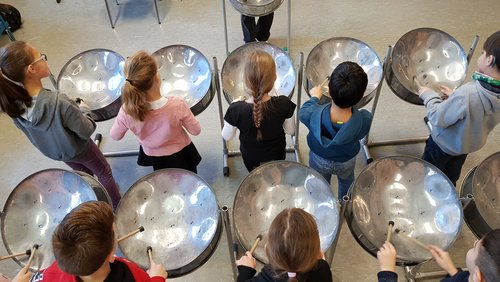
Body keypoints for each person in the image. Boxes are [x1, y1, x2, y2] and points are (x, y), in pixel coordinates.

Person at [0, 41, 121, 209]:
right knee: (104, 172)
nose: (44, 59)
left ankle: (92, 192)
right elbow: (86, 131)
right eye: (40, 57)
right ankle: (117, 205)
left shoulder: (13, 105)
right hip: (80, 148)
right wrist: (84, 109)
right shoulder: (59, 103)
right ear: (32, 69)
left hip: (59, 153)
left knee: (83, 173)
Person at [417, 31, 500, 186]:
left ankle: (428, 189)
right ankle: (448, 188)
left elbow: (437, 117)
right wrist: (456, 98)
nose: (480, 56)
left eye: (483, 53)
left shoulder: (468, 94)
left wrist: (428, 95)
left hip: (443, 144)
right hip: (466, 145)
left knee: (431, 170)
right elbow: (478, 109)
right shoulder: (472, 96)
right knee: (452, 173)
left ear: (490, 59)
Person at [19, 201, 167, 282]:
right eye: (115, 234)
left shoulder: (53, 272)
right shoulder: (130, 274)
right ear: (110, 255)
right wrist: (156, 277)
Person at [109, 51, 202, 173]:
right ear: (157, 77)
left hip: (153, 155)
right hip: (181, 153)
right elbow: (196, 130)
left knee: (164, 178)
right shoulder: (177, 105)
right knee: (188, 178)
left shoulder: (127, 110)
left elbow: (115, 135)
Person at [299, 61, 372, 200]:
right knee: (346, 180)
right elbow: (361, 133)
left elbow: (302, 113)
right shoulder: (364, 120)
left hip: (319, 157)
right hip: (346, 161)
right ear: (361, 97)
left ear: (329, 91)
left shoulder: (312, 113)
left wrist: (315, 97)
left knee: (320, 181)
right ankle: (343, 202)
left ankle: (324, 203)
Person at [222, 50, 296, 172]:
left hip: (251, 158)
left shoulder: (236, 109)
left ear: (244, 81)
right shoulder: (284, 104)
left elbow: (227, 136)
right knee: (275, 177)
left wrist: (235, 105)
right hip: (277, 155)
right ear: (275, 79)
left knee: (255, 178)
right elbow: (290, 130)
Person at [236, 208, 332, 282]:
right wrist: (317, 260)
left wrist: (245, 271)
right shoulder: (322, 270)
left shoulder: (264, 279)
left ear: (268, 249)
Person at [376, 229, 500, 282]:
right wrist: (452, 270)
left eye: (475, 248)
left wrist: (387, 272)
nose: (475, 242)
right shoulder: (477, 277)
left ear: (478, 277)